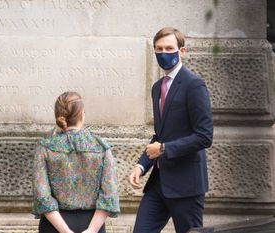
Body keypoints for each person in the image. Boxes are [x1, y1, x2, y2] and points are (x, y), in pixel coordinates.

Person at [129, 27, 213, 233]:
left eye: (169, 48)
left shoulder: (194, 85)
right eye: (159, 49)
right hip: (158, 184)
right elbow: (160, 135)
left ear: (181, 51)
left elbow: (204, 136)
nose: (164, 53)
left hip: (187, 186)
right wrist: (141, 166)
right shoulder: (157, 87)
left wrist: (165, 149)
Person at [32, 91, 120, 233]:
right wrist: (92, 230)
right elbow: (109, 194)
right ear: (82, 115)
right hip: (92, 223)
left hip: (54, 225)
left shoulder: (45, 147)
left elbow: (42, 196)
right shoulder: (100, 146)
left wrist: (66, 231)